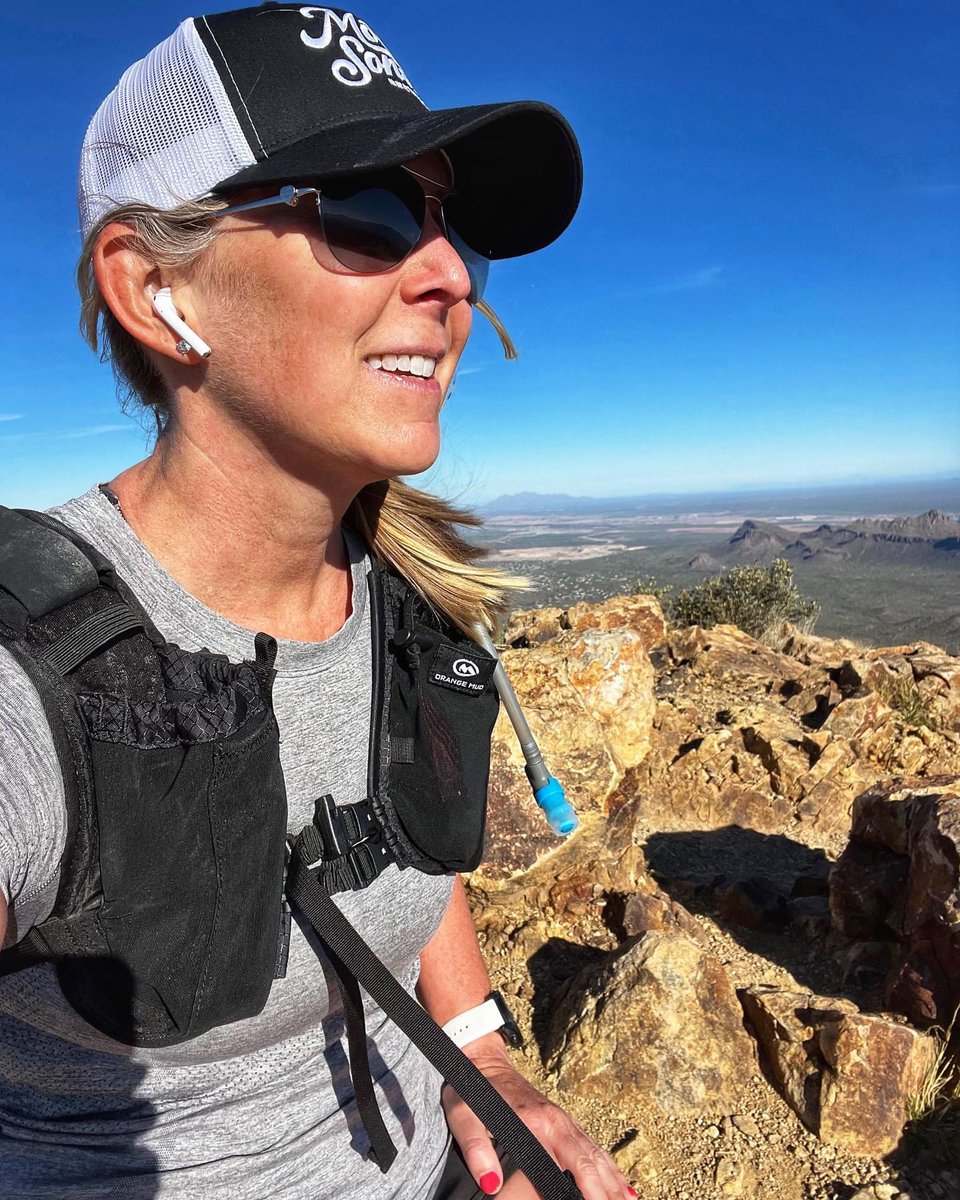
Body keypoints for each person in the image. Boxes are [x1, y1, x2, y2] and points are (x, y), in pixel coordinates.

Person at [0, 5, 635, 1198]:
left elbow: (404, 847)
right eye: (371, 212)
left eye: (452, 230)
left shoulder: (407, 600)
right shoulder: (33, 672)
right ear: (155, 290)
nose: (448, 275)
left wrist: (485, 1054)